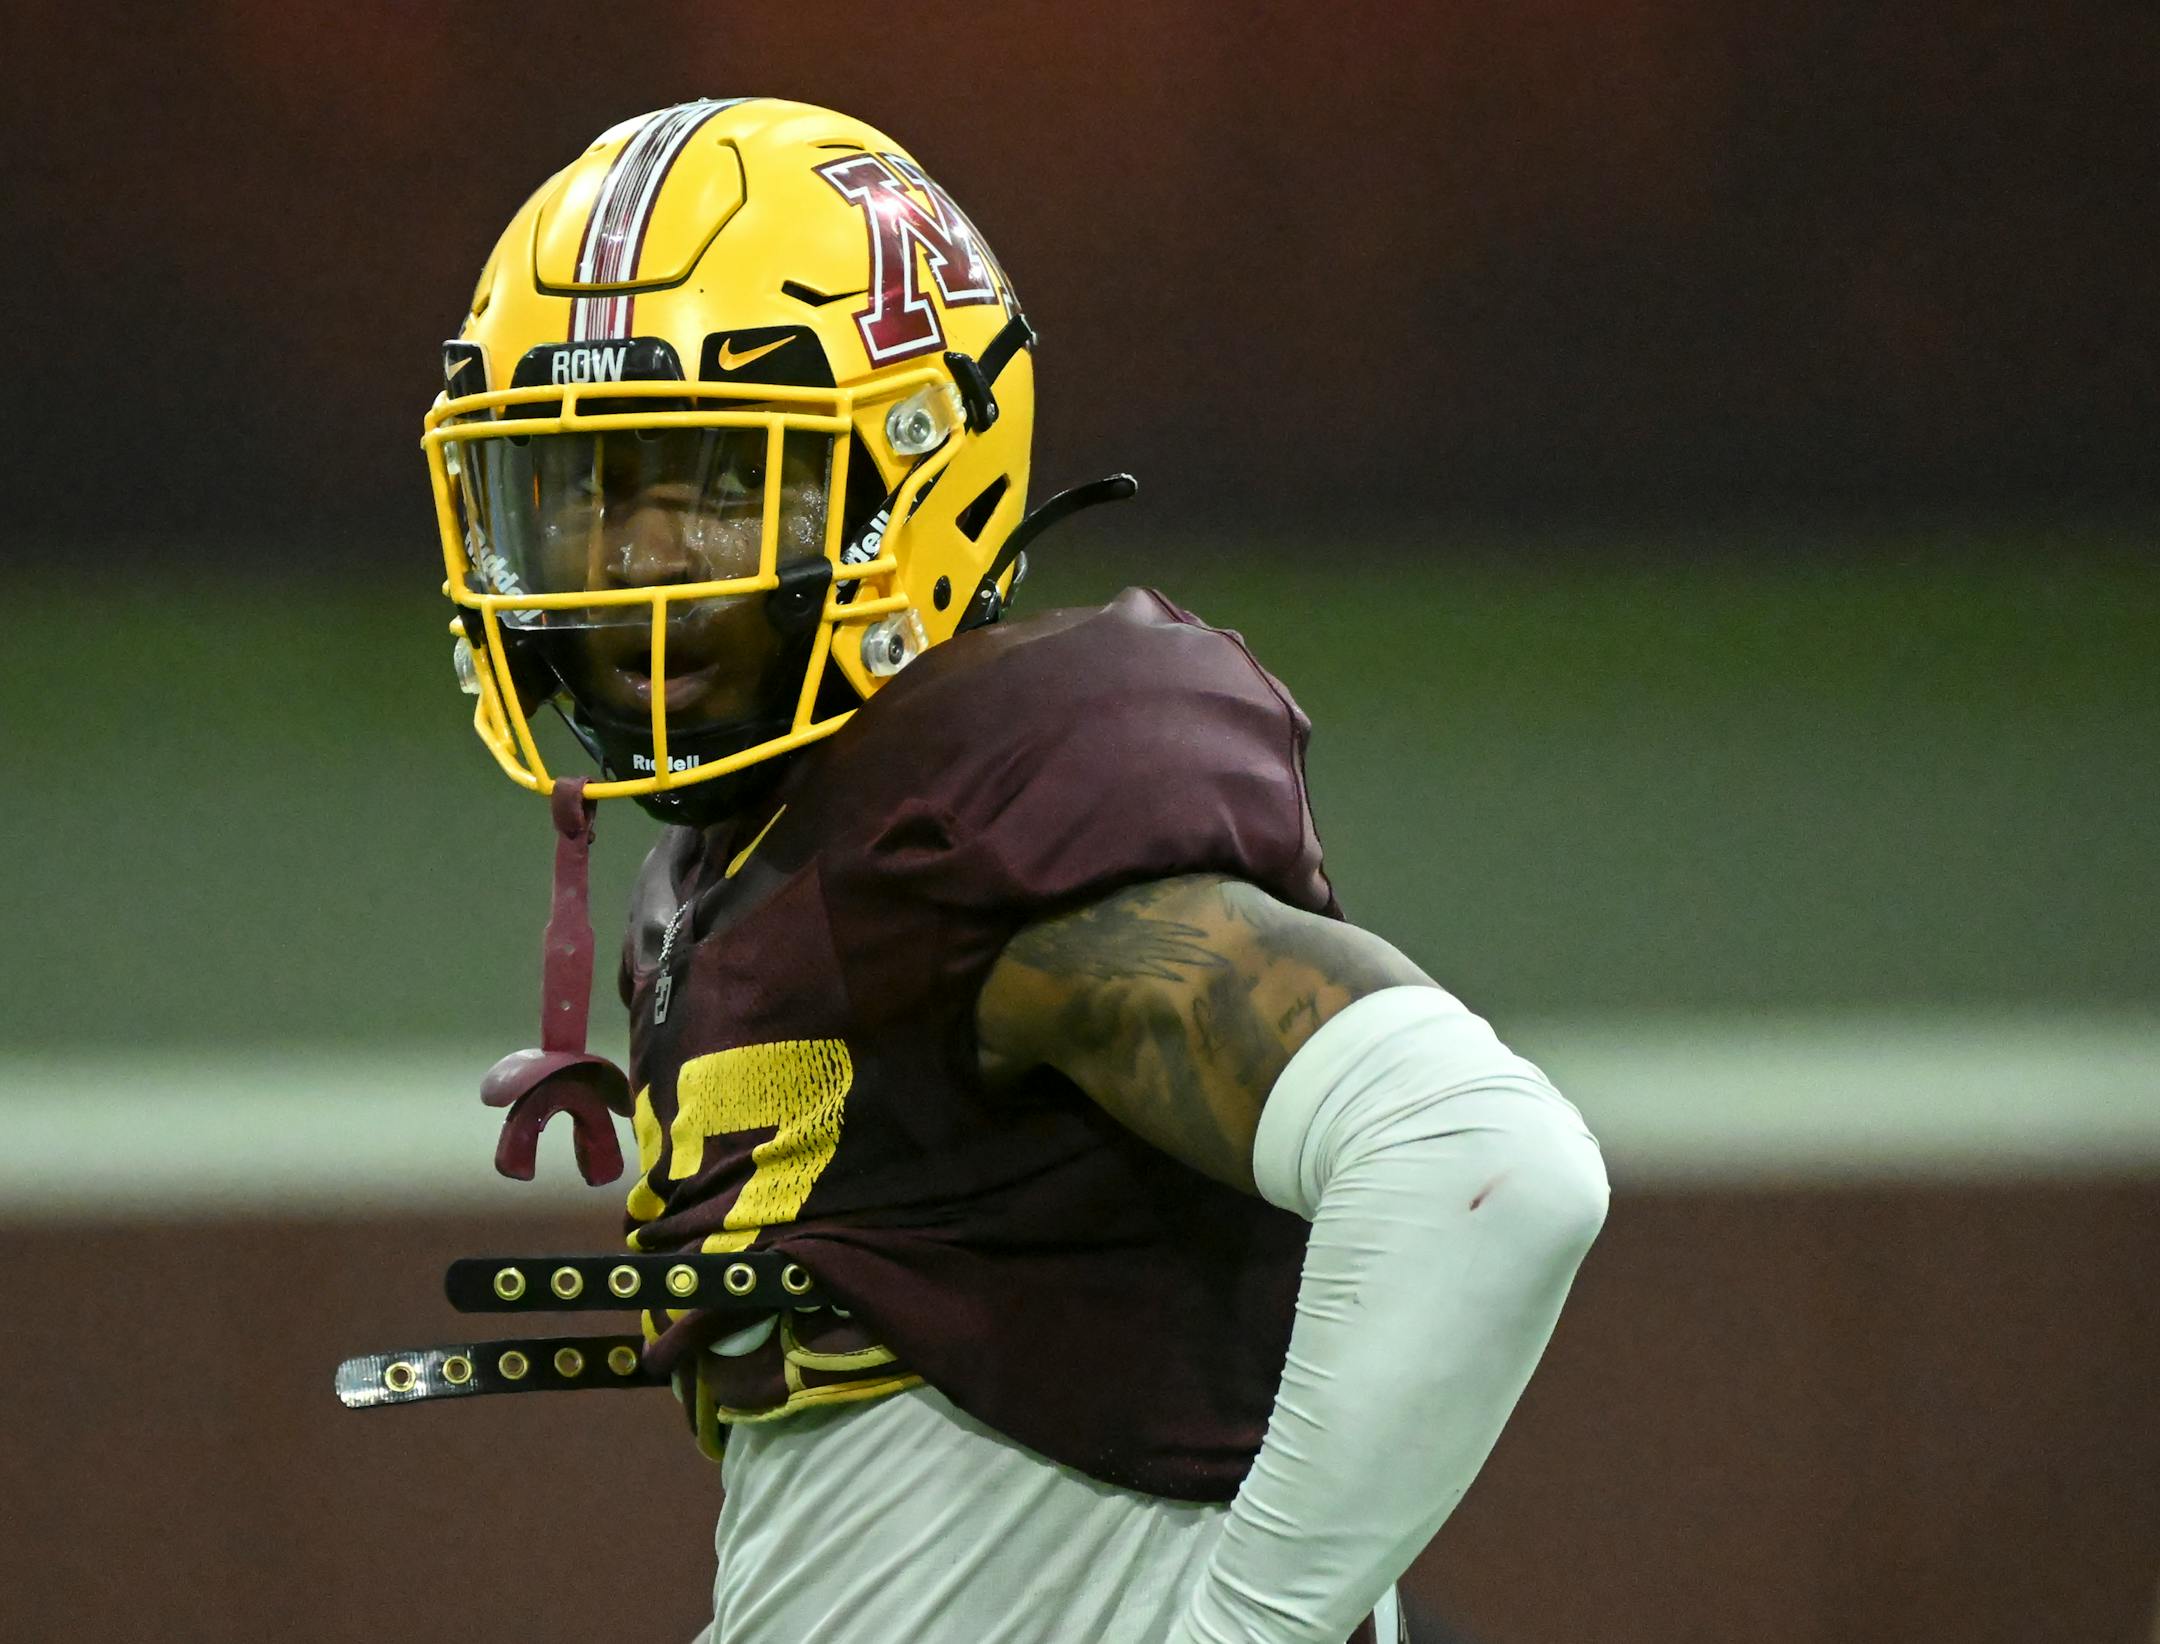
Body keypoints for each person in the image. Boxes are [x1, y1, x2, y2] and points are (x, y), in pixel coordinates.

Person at [424, 96, 1609, 1644]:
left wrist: (1253, 1629)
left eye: (713, 484)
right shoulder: (734, 869)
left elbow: (1482, 1160)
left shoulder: (970, 820)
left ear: (917, 468)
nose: (634, 561)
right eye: (584, 493)